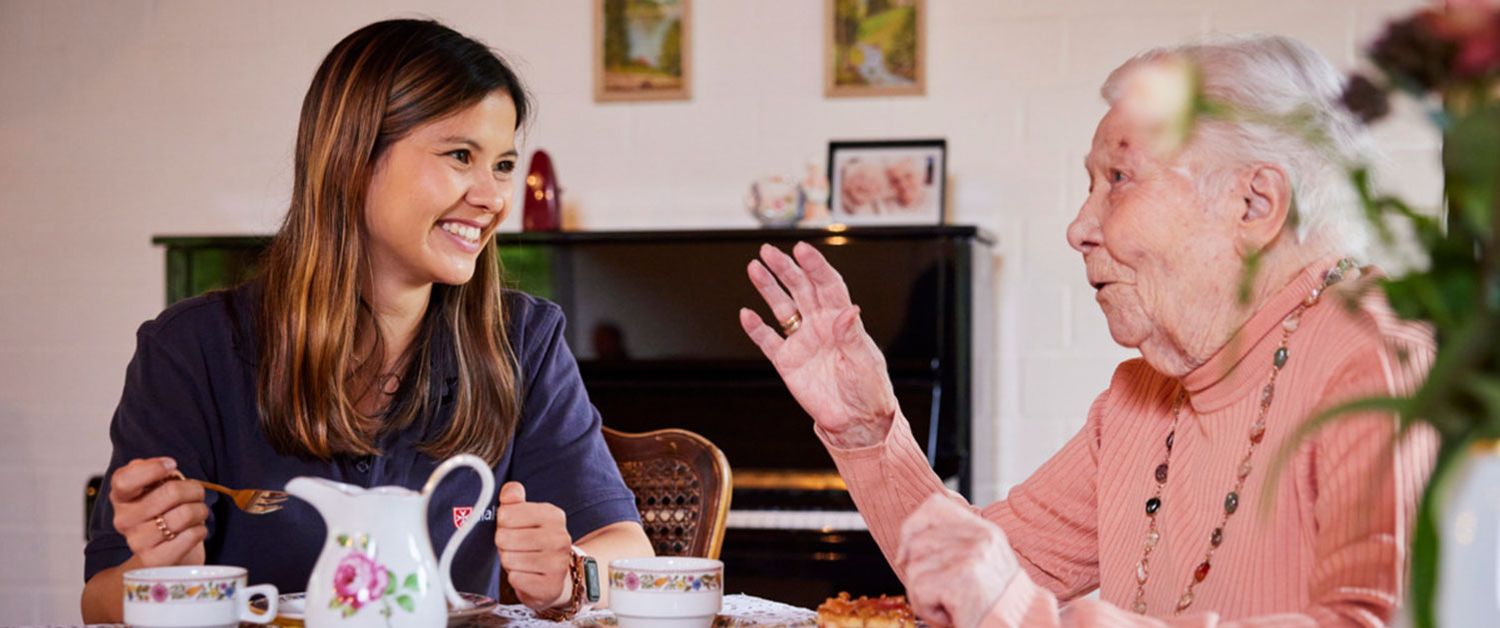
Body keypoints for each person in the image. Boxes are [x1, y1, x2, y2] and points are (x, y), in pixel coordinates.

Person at [740, 35, 1436, 627]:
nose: (1079, 228)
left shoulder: (1383, 353)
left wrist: (1029, 614)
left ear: (1254, 202)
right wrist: (870, 434)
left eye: (1120, 178)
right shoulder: (1142, 393)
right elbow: (978, 574)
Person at [81, 19, 652, 624]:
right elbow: (98, 603)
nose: (492, 198)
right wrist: (159, 573)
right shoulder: (190, 350)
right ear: (353, 160)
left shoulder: (522, 340)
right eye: (461, 156)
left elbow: (626, 551)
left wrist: (567, 575)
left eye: (504, 165)